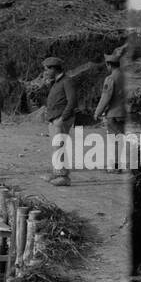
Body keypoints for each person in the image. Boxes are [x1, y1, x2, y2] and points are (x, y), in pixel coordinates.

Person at [43, 56, 77, 186]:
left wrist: (62, 118)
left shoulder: (67, 81)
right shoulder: (56, 82)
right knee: (56, 147)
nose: (45, 72)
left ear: (54, 69)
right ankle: (57, 172)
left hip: (61, 119)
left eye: (47, 69)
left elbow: (72, 101)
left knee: (59, 147)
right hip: (55, 118)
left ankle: (63, 176)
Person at [94, 51, 127, 173]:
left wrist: (97, 112)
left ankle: (115, 167)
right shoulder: (125, 76)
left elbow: (106, 97)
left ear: (109, 64)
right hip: (124, 114)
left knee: (114, 142)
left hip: (113, 114)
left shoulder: (110, 78)